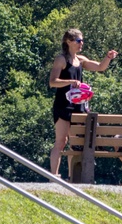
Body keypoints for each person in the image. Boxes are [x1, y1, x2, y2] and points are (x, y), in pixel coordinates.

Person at [49, 28, 117, 176]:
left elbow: (100, 67)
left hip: (78, 105)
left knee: (75, 143)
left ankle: (71, 176)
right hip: (63, 105)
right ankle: (53, 176)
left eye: (82, 40)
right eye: (79, 41)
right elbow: (53, 82)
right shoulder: (61, 59)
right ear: (69, 42)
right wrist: (71, 81)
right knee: (61, 141)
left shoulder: (80, 60)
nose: (82, 43)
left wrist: (108, 57)